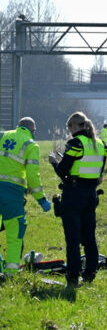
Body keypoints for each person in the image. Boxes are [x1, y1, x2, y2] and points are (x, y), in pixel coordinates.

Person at [49, 112, 106, 288]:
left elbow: (62, 170)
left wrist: (54, 162)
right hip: (91, 194)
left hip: (74, 194)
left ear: (74, 126)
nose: (69, 130)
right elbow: (98, 172)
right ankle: (90, 272)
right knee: (89, 237)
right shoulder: (100, 144)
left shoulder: (75, 143)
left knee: (73, 238)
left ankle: (73, 275)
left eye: (69, 127)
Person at [0, 117, 51, 278]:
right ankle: (10, 274)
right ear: (33, 130)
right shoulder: (31, 145)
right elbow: (33, 176)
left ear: (18, 126)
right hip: (12, 196)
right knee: (15, 236)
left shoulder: (2, 136)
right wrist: (42, 200)